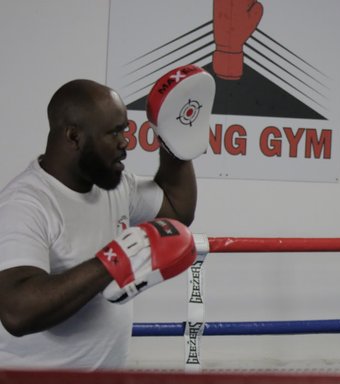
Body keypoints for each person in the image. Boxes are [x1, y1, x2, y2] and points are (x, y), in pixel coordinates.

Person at [0, 74, 205, 369]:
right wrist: (112, 260)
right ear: (74, 137)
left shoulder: (117, 186)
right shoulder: (24, 205)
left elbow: (177, 209)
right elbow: (17, 312)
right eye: (114, 132)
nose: (126, 142)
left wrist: (176, 141)